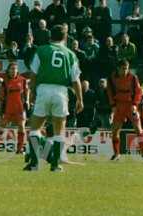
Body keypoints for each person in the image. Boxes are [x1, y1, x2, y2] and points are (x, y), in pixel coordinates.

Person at [25, 24, 83, 172]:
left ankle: (34, 164)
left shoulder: (41, 50)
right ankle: (55, 165)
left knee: (34, 129)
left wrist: (32, 92)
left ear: (50, 36)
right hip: (61, 91)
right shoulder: (70, 54)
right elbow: (75, 80)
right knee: (59, 132)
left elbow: (33, 73)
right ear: (65, 37)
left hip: (43, 89)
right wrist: (79, 99)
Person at [107, 59, 143, 161]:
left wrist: (135, 104)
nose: (125, 71)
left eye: (127, 68)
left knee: (138, 129)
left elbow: (138, 92)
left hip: (130, 105)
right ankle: (116, 154)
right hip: (119, 105)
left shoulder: (133, 77)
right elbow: (110, 92)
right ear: (118, 68)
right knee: (115, 130)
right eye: (123, 68)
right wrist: (113, 105)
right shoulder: (112, 78)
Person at [0, 63, 29, 154]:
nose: (13, 71)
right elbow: (2, 97)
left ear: (17, 70)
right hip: (8, 108)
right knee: (2, 126)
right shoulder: (5, 82)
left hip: (20, 108)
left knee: (21, 127)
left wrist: (27, 101)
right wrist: (0, 108)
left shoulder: (22, 80)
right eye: (11, 69)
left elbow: (27, 91)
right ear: (8, 71)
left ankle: (19, 150)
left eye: (15, 69)